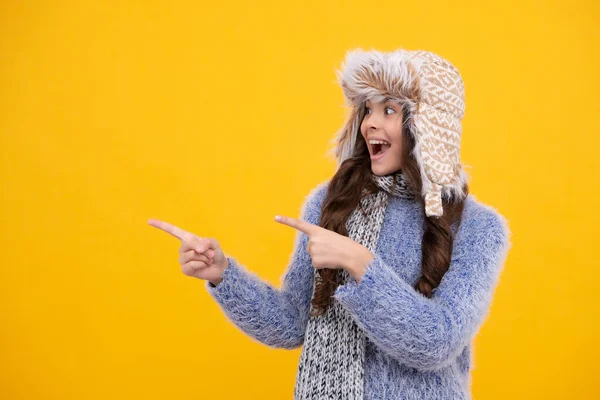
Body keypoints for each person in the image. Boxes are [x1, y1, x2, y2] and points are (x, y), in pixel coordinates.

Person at [148, 48, 512, 400]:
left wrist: (360, 264)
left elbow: (438, 343)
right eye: (367, 109)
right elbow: (291, 322)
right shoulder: (330, 203)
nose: (370, 123)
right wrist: (222, 274)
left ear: (430, 126)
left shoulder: (479, 228)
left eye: (389, 110)